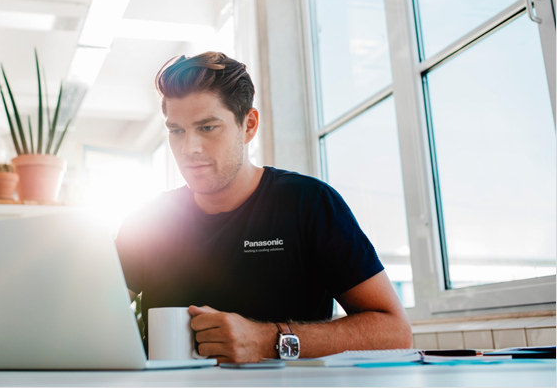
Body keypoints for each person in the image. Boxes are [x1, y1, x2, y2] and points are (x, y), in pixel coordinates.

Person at [114, 52, 412, 364]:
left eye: (207, 127)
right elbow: (87, 321)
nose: (189, 148)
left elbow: (395, 331)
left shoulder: (308, 203)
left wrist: (268, 340)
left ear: (249, 125)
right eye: (177, 131)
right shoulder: (146, 221)